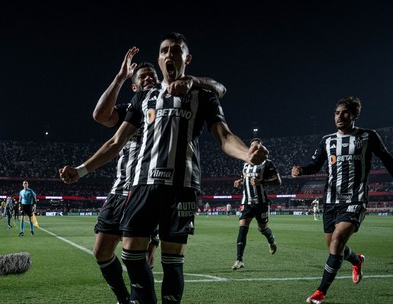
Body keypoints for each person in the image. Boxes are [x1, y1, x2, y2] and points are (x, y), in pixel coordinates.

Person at [60, 32, 268, 303]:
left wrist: (246, 155)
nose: (170, 54)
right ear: (159, 59)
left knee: (172, 262)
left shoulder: (203, 97)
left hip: (182, 189)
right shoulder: (143, 98)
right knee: (131, 256)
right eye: (164, 50)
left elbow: (224, 137)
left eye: (176, 50)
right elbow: (115, 140)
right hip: (142, 185)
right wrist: (83, 169)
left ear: (187, 58)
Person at [91, 46, 227, 304]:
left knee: (152, 257)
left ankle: (140, 299)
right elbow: (101, 116)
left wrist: (191, 81)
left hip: (155, 188)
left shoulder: (176, 100)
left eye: (152, 75)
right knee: (102, 251)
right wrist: (120, 77)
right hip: (123, 190)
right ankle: (125, 299)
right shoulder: (134, 106)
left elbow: (218, 89)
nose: (150, 78)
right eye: (143, 77)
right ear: (134, 86)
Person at [291, 96, 393, 304]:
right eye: (337, 112)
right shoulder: (327, 141)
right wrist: (301, 170)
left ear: (354, 115)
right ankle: (357, 260)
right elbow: (315, 165)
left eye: (345, 112)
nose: (340, 116)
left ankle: (320, 292)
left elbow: (386, 158)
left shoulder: (367, 136)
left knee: (337, 242)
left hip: (355, 199)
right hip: (331, 200)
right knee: (333, 247)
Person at [231, 138, 281, 271]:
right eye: (252, 147)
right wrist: (239, 182)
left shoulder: (267, 163)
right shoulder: (245, 163)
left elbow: (278, 181)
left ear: (260, 148)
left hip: (261, 203)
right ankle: (239, 260)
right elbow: (244, 178)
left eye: (256, 147)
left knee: (262, 228)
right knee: (242, 228)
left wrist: (262, 181)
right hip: (247, 202)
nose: (253, 149)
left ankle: (271, 240)